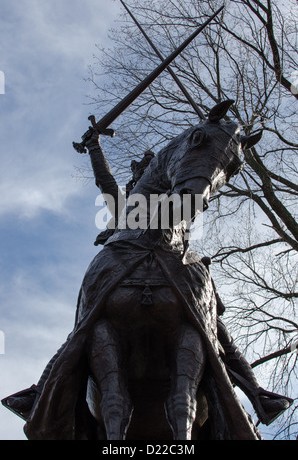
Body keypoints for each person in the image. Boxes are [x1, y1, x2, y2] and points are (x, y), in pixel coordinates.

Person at [2, 132, 292, 428]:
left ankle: (257, 394)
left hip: (175, 263)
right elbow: (104, 180)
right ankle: (40, 393)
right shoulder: (125, 208)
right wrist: (93, 147)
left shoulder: (180, 200)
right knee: (84, 324)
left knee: (215, 327)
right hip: (123, 264)